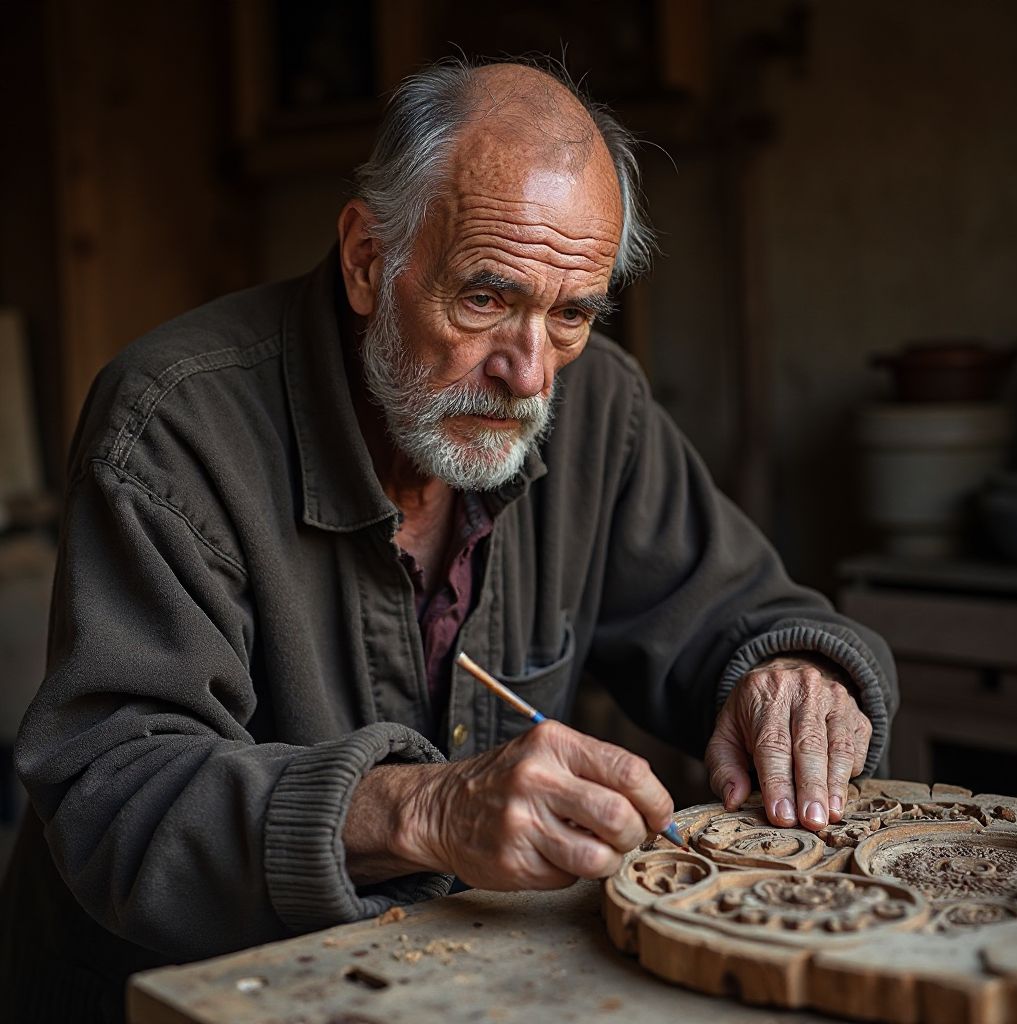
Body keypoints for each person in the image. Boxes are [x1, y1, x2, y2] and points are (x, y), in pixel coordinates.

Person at [0, 58, 896, 1022]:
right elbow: (116, 795)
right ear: (366, 259)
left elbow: (739, 613)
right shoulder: (174, 426)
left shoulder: (599, 408)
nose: (529, 376)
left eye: (571, 316)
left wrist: (796, 674)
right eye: (485, 300)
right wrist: (425, 809)